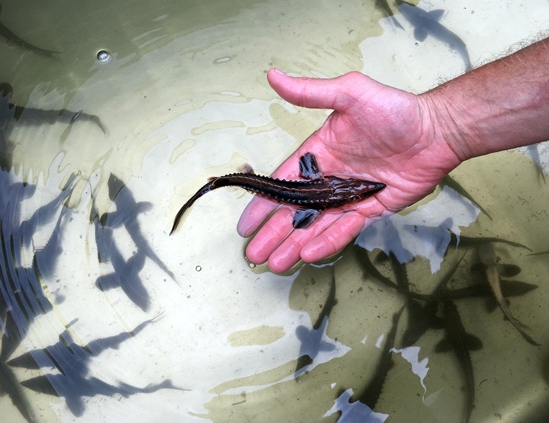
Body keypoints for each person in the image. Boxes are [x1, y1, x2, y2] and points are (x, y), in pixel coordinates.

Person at [236, 37, 549, 273]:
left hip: (302, 188)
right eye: (357, 189)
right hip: (297, 189)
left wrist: (440, 126)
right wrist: (440, 124)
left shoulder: (323, 190)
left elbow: (318, 186)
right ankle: (239, 180)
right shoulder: (320, 196)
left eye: (357, 192)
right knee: (268, 192)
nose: (361, 189)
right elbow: (317, 193)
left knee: (273, 196)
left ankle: (236, 180)